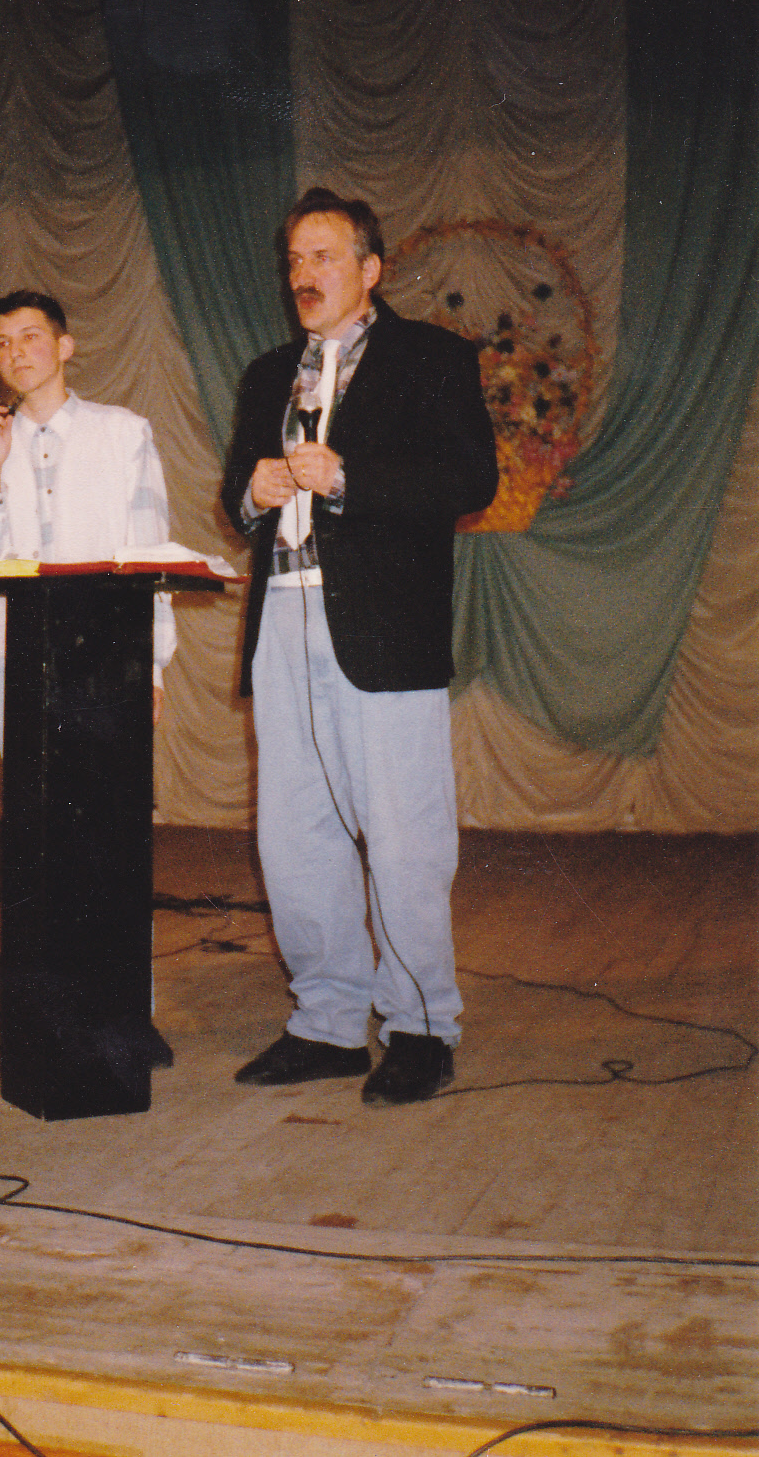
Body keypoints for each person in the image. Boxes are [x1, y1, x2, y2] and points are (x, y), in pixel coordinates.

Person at [221, 188, 498, 1104]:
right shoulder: (268, 374)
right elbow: (234, 495)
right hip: (283, 619)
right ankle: (329, 1022)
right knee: (294, 834)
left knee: (405, 836)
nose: (303, 275)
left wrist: (349, 479)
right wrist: (255, 492)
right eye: (294, 261)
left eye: (323, 257)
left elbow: (471, 478)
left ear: (370, 269)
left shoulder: (431, 358)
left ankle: (421, 1028)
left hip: (384, 625)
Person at [0, 290, 177, 741]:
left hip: (108, 647)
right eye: (2, 343)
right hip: (14, 649)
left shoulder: (124, 433)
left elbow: (151, 557)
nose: (15, 352)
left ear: (64, 347)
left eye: (29, 337)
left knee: (106, 785)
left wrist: (151, 668)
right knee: (25, 785)